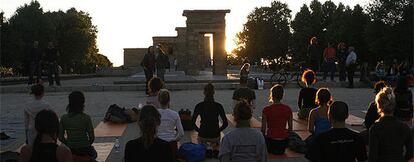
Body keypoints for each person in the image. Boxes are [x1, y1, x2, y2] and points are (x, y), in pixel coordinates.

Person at [369, 87, 413, 162]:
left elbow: (373, 156)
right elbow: (410, 153)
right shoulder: (404, 127)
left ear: (379, 105)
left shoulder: (375, 128)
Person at [192, 83, 228, 157]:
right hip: (215, 134)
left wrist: (199, 130)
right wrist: (218, 130)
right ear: (214, 92)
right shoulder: (218, 106)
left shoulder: (199, 106)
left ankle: (207, 147)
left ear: (204, 92)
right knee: (215, 140)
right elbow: (225, 123)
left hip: (203, 135)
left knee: (202, 141)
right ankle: (214, 147)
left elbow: (192, 123)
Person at [58, 91, 96, 160]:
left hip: (71, 148)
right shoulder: (86, 118)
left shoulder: (64, 118)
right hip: (85, 148)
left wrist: (67, 143)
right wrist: (87, 143)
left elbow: (60, 137)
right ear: (82, 104)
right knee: (94, 154)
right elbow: (92, 137)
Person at [261, 84, 293, 155]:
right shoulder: (288, 109)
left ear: (272, 95)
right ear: (282, 96)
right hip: (283, 143)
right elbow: (290, 129)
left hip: (270, 142)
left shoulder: (266, 110)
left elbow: (263, 129)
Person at [157, 89, 184, 159]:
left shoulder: (155, 113)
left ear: (159, 100)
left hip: (158, 144)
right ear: (169, 100)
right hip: (171, 145)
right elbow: (181, 133)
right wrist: (174, 140)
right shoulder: (175, 114)